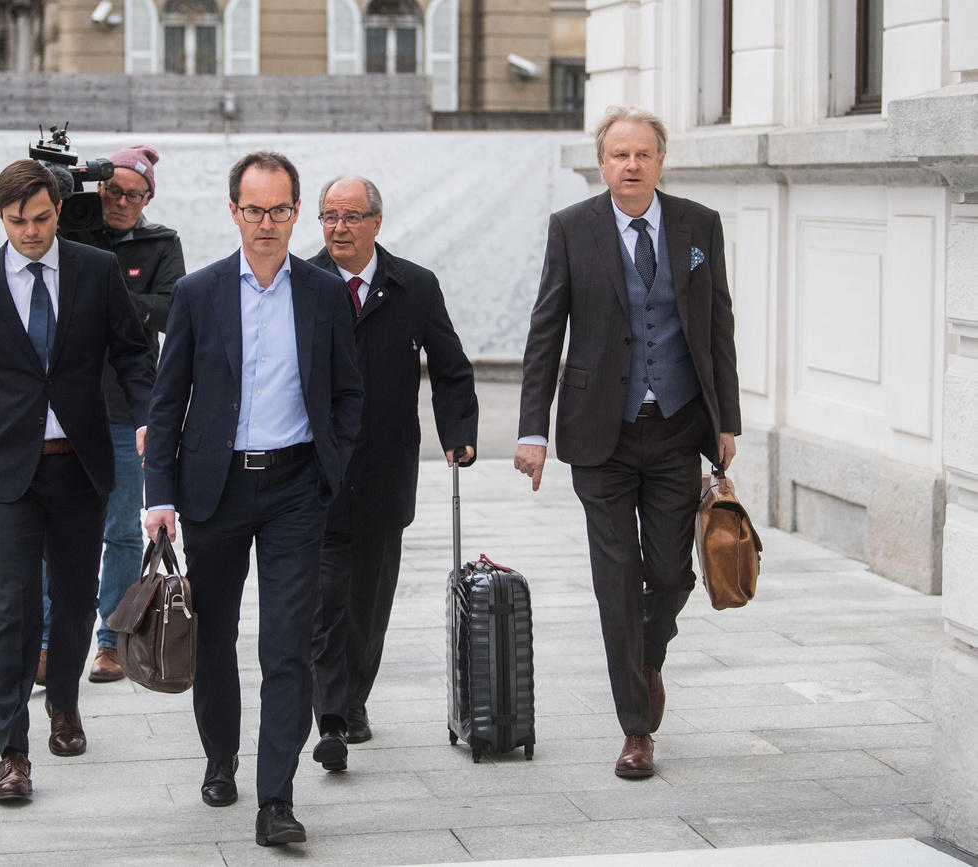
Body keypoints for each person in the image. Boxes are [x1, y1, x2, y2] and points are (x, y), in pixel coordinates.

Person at [0, 159, 156, 803]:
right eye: (18, 221)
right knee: (15, 608)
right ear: (1, 218)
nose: (31, 231)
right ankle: (12, 753)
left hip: (80, 464)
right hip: (5, 472)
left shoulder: (95, 270)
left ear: (58, 209)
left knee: (74, 603)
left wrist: (151, 419)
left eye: (42, 218)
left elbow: (131, 350)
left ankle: (65, 707)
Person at [143, 151, 362, 846]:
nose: (266, 223)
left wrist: (331, 466)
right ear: (233, 211)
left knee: (287, 644)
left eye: (279, 209)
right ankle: (221, 754)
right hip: (216, 488)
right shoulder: (199, 293)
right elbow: (167, 397)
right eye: (253, 209)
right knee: (213, 636)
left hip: (297, 486)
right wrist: (160, 495)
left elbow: (350, 392)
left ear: (297, 212)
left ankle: (276, 795)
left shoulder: (324, 294)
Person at [514, 106, 740, 779]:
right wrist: (531, 426)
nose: (632, 166)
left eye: (643, 154)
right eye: (619, 155)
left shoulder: (700, 225)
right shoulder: (572, 229)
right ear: (603, 161)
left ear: (660, 160)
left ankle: (650, 658)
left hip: (676, 428)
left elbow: (717, 325)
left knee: (671, 574)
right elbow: (546, 329)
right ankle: (635, 727)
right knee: (617, 580)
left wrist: (725, 419)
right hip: (599, 433)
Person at [306, 175, 478, 771]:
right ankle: (329, 714)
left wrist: (458, 434)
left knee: (368, 599)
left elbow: (451, 367)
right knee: (324, 594)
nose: (339, 228)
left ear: (377, 222)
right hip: (317, 469)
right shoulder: (302, 283)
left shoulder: (414, 287)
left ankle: (354, 700)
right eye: (329, 216)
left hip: (385, 465)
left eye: (351, 217)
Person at [36, 144, 185, 685]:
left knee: (122, 530)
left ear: (148, 197)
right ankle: (50, 641)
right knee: (55, 530)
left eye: (133, 194)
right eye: (112, 191)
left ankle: (112, 641)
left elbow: (171, 309)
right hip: (66, 406)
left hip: (126, 406)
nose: (120, 202)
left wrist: (109, 293)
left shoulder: (161, 242)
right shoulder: (70, 231)